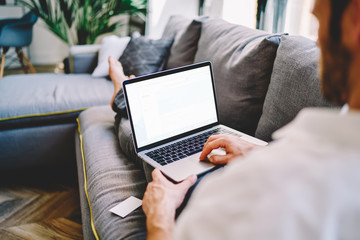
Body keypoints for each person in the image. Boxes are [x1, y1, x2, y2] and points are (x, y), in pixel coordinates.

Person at [110, 0, 360, 238]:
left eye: (319, 23)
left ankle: (121, 91)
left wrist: (160, 216)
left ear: (354, 19)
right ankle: (123, 91)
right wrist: (258, 151)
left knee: (136, 133)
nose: (318, 43)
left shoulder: (252, 189)